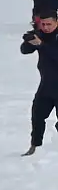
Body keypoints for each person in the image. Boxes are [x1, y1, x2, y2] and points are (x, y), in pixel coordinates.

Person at [21, 10, 58, 155]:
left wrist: (41, 44)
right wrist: (29, 41)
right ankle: (34, 147)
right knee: (37, 116)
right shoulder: (41, 34)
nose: (46, 27)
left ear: (56, 21)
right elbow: (24, 50)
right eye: (43, 24)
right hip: (47, 84)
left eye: (49, 24)